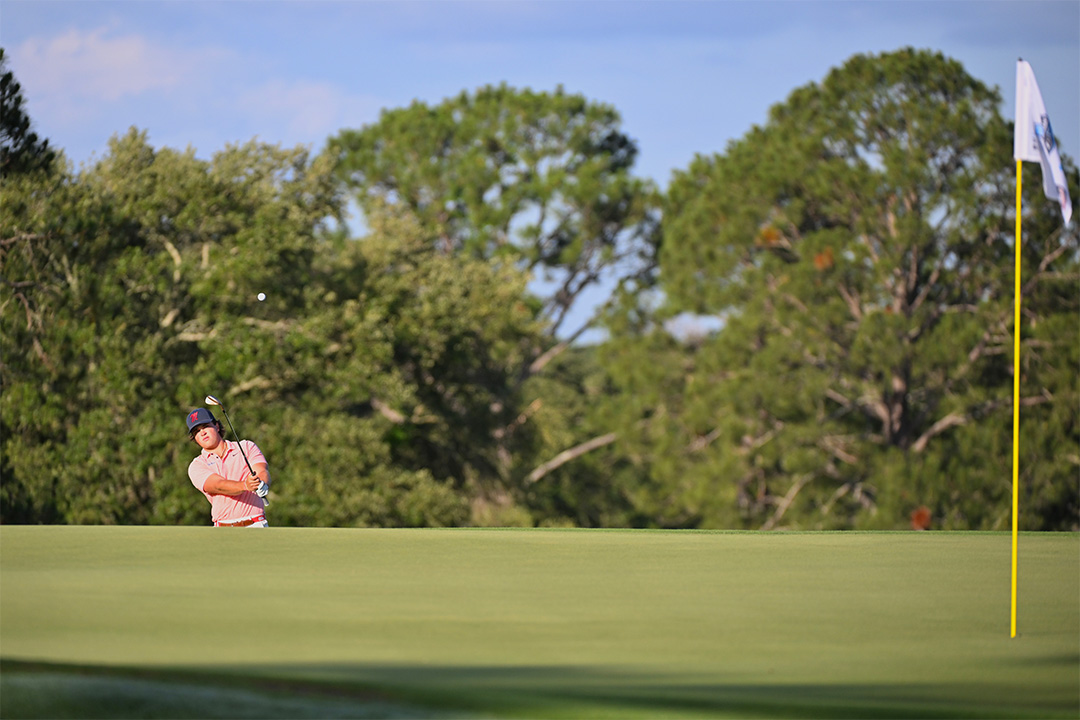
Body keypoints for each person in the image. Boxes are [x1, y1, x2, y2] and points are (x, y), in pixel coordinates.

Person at [185, 407, 271, 527]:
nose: (202, 432)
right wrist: (245, 485)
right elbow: (218, 486)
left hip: (255, 524)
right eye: (197, 431)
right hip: (222, 529)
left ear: (217, 426)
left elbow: (261, 470)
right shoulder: (197, 465)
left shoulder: (246, 447)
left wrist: (262, 483)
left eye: (205, 426)